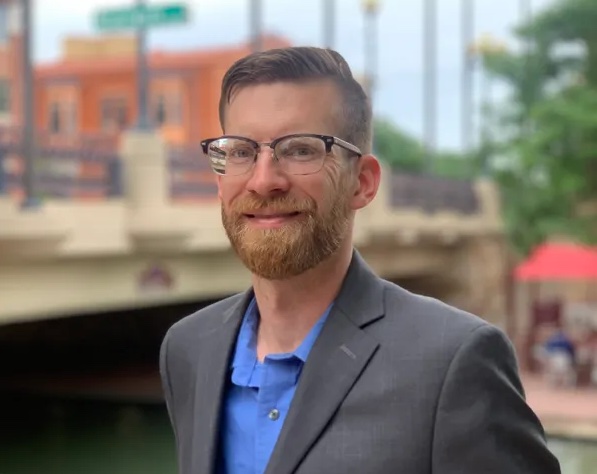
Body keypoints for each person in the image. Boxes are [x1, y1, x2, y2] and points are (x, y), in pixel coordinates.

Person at [159, 46, 561, 474]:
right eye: (240, 152)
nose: (264, 181)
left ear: (363, 183)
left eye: (300, 150)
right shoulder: (188, 350)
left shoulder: (452, 362)